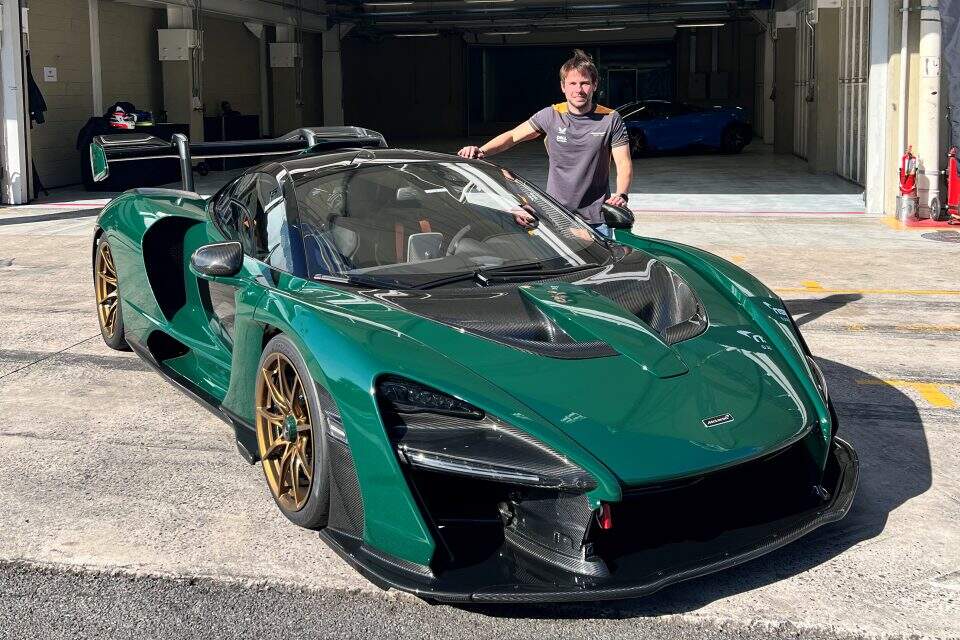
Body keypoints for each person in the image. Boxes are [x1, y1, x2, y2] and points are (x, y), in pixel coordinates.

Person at [458, 49, 632, 237]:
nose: (578, 90)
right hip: (556, 213)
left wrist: (621, 194)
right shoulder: (551, 115)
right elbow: (513, 136)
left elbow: (623, 163)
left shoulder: (610, 118)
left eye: (585, 83)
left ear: (595, 85)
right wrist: (481, 150)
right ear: (563, 87)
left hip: (596, 218)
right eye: (572, 83)